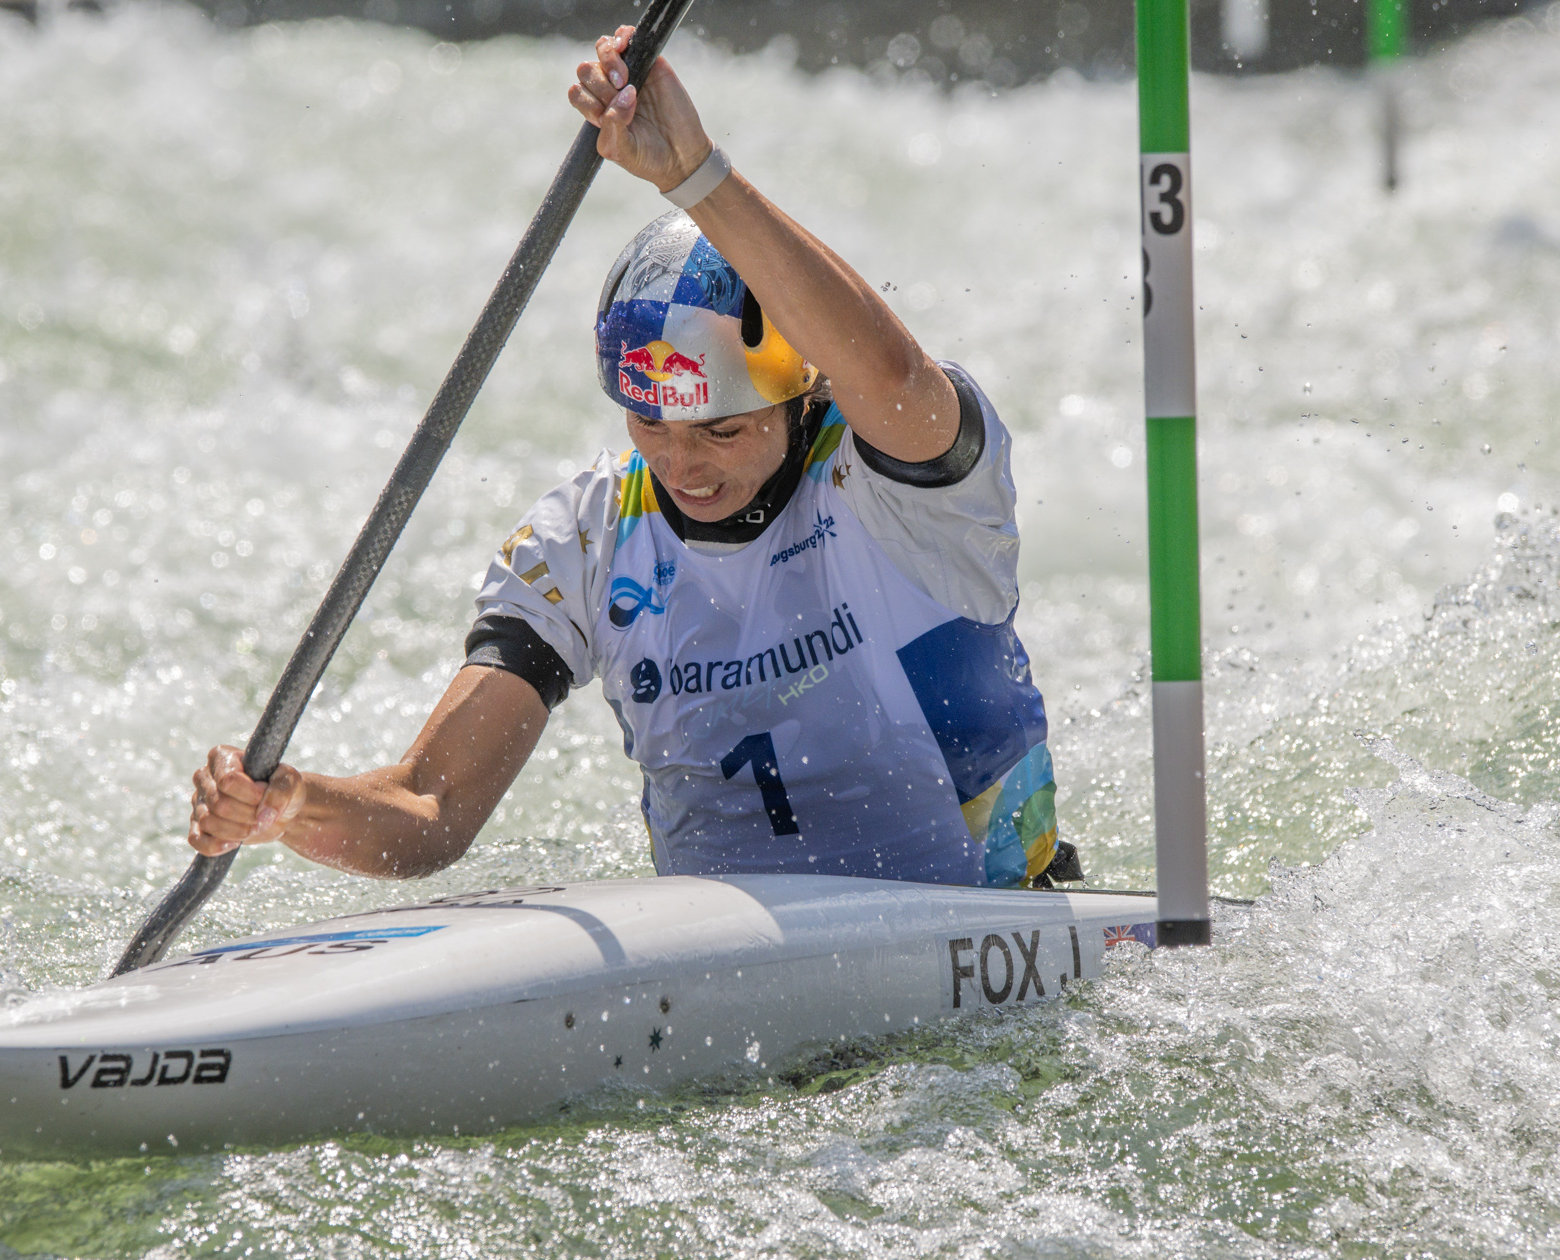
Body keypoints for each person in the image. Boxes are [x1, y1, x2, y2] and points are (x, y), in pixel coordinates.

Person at [187, 28, 1061, 888]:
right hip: (726, 981)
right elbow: (433, 808)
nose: (683, 466)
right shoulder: (589, 538)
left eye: (721, 430)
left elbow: (892, 371)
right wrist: (297, 805)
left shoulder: (899, 482)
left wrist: (696, 177)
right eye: (650, 424)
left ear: (804, 396)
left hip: (980, 934)